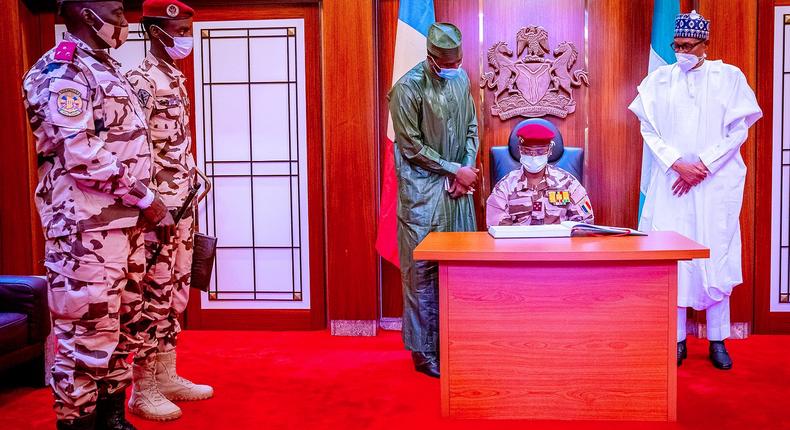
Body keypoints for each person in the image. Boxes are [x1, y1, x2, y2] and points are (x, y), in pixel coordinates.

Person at [21, 0, 174, 428]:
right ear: (88, 15)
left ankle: (111, 417)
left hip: (123, 228)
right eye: (118, 13)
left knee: (122, 325)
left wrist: (145, 204)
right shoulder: (62, 72)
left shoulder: (107, 68)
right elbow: (81, 156)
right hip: (83, 231)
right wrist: (147, 198)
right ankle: (77, 421)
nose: (125, 22)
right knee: (85, 337)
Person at [628, 10, 762, 370]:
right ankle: (677, 340)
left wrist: (704, 164)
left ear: (706, 44)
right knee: (673, 257)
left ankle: (718, 339)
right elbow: (648, 130)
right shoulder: (659, 80)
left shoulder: (729, 77)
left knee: (714, 255)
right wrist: (677, 163)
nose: (682, 51)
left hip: (714, 185)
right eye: (677, 45)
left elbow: (739, 130)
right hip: (672, 184)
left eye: (689, 46)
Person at [124, 0, 213, 421]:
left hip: (183, 204)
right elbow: (134, 149)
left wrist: (195, 176)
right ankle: (143, 389)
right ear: (155, 31)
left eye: (187, 29)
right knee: (151, 294)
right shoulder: (140, 81)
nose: (185, 38)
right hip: (157, 209)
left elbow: (175, 142)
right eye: (179, 30)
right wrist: (150, 202)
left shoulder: (173, 76)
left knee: (175, 290)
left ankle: (167, 375)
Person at [388, 22, 479, 378]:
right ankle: (424, 353)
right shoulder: (407, 89)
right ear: (430, 57)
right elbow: (410, 147)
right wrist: (453, 170)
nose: (454, 68)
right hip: (424, 194)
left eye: (458, 61)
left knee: (461, 270)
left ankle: (457, 343)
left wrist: (466, 169)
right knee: (423, 276)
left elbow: (472, 127)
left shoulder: (460, 79)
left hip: (458, 191)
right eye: (447, 62)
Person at [486, 123, 593, 227]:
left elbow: (584, 223)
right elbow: (496, 228)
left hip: (560, 244)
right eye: (527, 151)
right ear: (520, 150)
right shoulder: (505, 186)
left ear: (549, 150)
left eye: (540, 152)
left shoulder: (569, 183)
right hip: (518, 244)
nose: (533, 156)